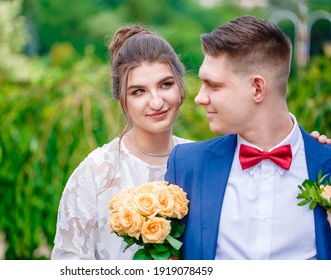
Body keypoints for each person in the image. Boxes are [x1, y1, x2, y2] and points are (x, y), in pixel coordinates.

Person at [164, 15, 331, 260]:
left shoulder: (326, 162)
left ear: (257, 88)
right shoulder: (187, 165)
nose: (200, 98)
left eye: (214, 85)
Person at [51, 25, 190, 260]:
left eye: (165, 85)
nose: (157, 102)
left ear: (180, 84)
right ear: (120, 98)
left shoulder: (199, 159)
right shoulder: (97, 172)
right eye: (139, 92)